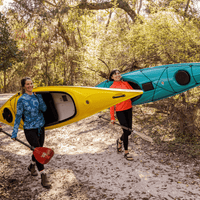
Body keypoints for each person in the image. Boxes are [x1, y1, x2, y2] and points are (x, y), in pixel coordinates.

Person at [11, 77, 51, 189]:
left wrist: (40, 99)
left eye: (31, 83)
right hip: (29, 128)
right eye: (27, 84)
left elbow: (44, 109)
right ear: (24, 86)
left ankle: (32, 166)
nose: (30, 85)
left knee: (38, 149)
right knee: (38, 151)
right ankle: (43, 176)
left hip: (40, 127)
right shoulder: (21, 100)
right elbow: (18, 116)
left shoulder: (37, 96)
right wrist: (14, 132)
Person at [109, 69, 134, 161]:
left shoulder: (126, 83)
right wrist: (112, 117)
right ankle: (126, 152)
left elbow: (132, 93)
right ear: (112, 77)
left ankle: (119, 141)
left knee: (129, 131)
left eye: (118, 73)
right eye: (115, 74)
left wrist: (125, 85)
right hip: (120, 111)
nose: (117, 75)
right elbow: (111, 104)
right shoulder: (112, 88)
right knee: (126, 131)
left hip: (129, 109)